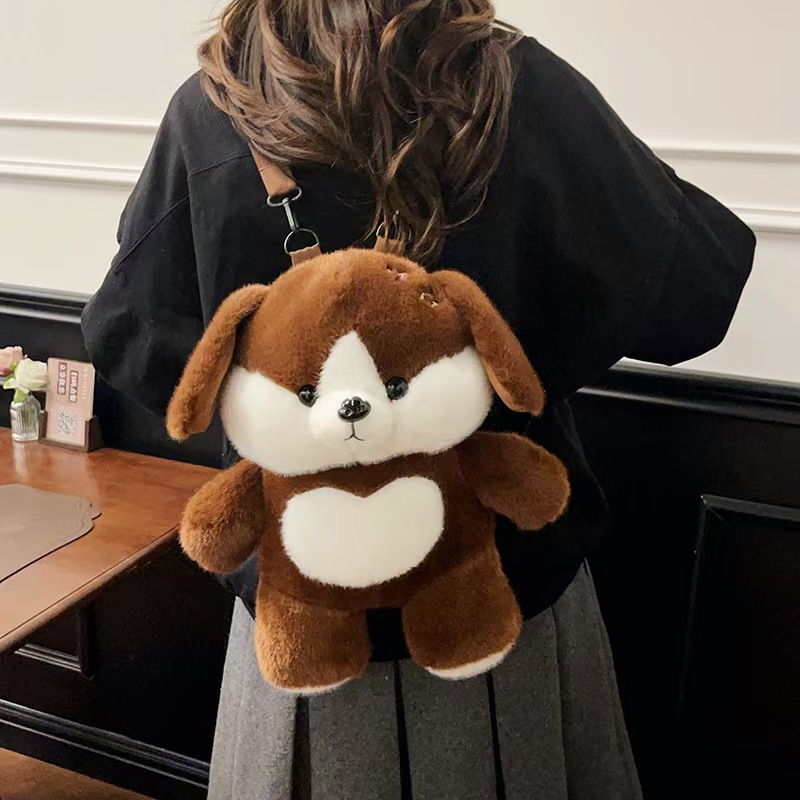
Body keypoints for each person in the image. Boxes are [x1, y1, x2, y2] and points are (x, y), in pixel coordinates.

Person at [81, 1, 756, 798]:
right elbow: (697, 295)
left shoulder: (212, 106)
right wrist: (511, 369)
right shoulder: (517, 84)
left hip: (303, 608)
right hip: (502, 597)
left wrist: (285, 414)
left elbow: (127, 331)